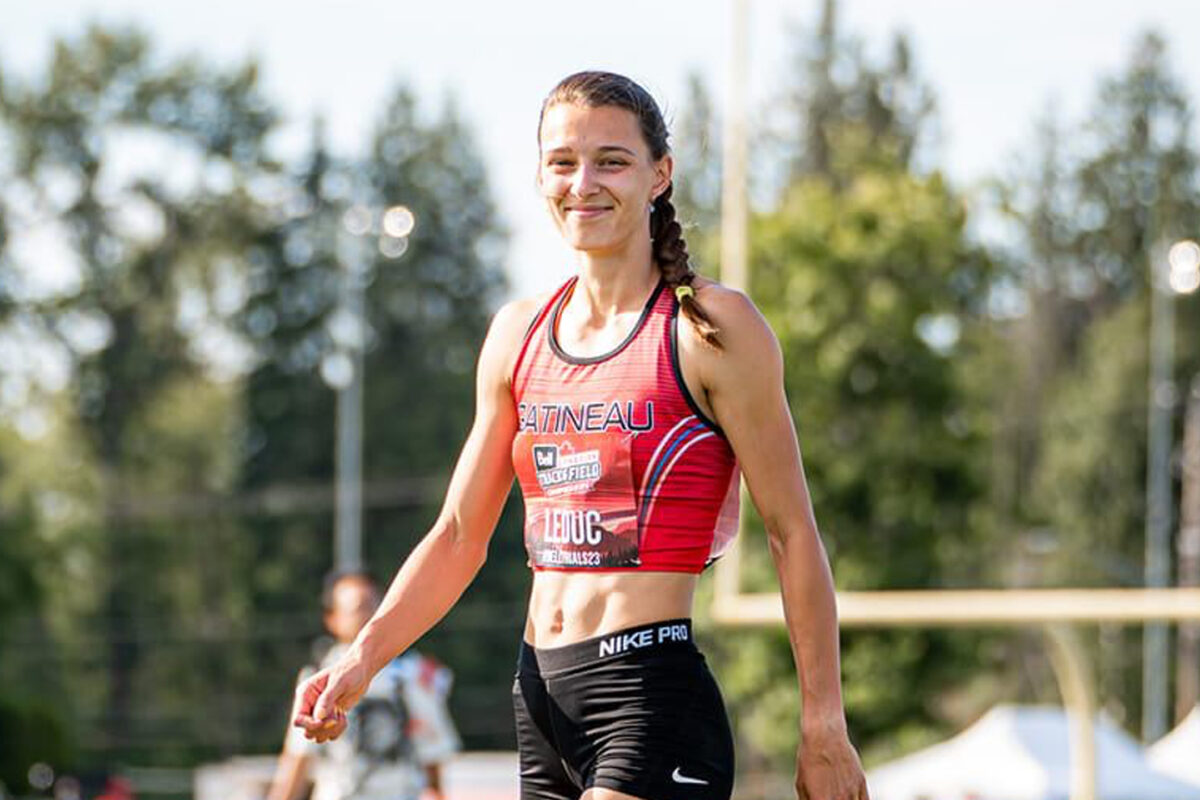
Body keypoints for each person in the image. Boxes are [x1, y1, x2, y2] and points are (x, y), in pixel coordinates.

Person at [292, 70, 869, 800]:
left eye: (612, 161)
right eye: (563, 162)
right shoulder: (516, 334)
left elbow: (793, 534)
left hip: (649, 698)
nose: (583, 182)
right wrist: (359, 660)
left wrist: (823, 723)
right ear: (540, 175)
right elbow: (460, 535)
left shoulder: (710, 329)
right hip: (539, 700)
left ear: (660, 174)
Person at [269, 570, 460, 800]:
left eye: (373, 605)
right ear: (332, 619)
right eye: (357, 609)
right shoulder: (318, 677)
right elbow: (298, 758)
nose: (367, 615)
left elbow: (432, 754)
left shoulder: (411, 673)